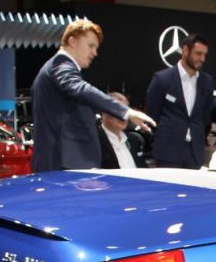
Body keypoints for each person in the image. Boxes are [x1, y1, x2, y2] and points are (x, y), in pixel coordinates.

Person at [31, 18, 154, 173]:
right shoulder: (60, 65)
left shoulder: (56, 68)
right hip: (63, 163)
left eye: (96, 47)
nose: (95, 53)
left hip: (64, 161)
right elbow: (79, 88)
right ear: (72, 41)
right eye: (91, 46)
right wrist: (125, 111)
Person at [145, 33, 214, 169]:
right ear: (185, 50)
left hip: (195, 152)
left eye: (204, 54)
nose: (202, 59)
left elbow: (206, 115)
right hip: (167, 152)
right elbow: (152, 115)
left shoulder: (207, 81)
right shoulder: (162, 79)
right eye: (198, 54)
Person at [97, 91, 138, 170]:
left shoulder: (134, 140)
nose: (123, 116)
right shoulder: (95, 141)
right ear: (104, 112)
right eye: (118, 111)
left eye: (126, 111)